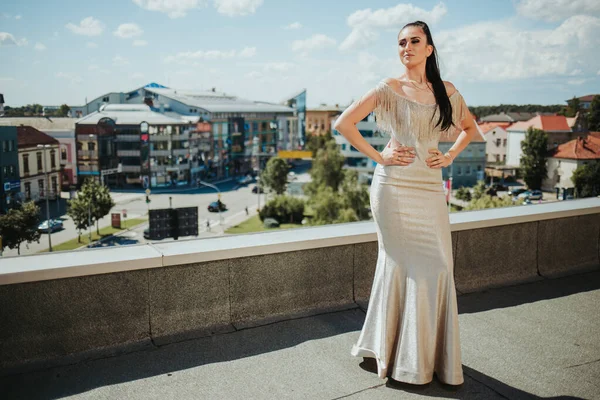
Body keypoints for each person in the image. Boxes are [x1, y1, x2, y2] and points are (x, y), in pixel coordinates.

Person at [334, 20, 479, 386]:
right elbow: (343, 123)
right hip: (394, 188)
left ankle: (426, 356)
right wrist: (379, 158)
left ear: (429, 48)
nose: (407, 47)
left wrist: (449, 158)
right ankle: (398, 356)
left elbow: (471, 130)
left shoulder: (446, 91)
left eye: (415, 41)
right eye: (401, 42)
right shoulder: (388, 87)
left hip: (429, 188)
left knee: (439, 267)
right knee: (398, 264)